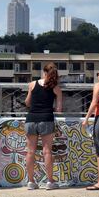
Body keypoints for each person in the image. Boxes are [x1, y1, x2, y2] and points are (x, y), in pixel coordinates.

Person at [24, 62, 63, 190]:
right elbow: (59, 109)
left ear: (43, 72)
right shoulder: (55, 87)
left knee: (30, 151)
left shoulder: (32, 84)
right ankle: (50, 182)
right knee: (47, 152)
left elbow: (27, 103)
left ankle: (31, 182)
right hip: (46, 119)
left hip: (31, 119)